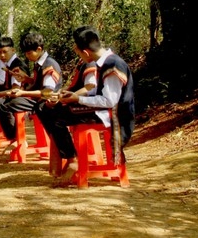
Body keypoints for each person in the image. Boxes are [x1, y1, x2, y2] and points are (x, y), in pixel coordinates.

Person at [37, 25, 135, 183]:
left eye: (78, 52)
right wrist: (72, 96)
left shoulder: (113, 65)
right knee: (51, 109)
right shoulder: (104, 62)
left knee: (55, 115)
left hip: (113, 115)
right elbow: (98, 91)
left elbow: (109, 100)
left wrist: (77, 99)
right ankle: (70, 157)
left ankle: (72, 159)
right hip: (103, 109)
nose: (79, 57)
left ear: (86, 52)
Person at [0, 31, 62, 149]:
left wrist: (23, 92)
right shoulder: (38, 64)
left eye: (29, 53)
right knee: (2, 103)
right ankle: (14, 137)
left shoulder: (49, 65)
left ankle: (16, 138)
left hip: (44, 102)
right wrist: (27, 79)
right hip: (37, 98)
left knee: (10, 103)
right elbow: (38, 83)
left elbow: (47, 93)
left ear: (38, 49)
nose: (27, 56)